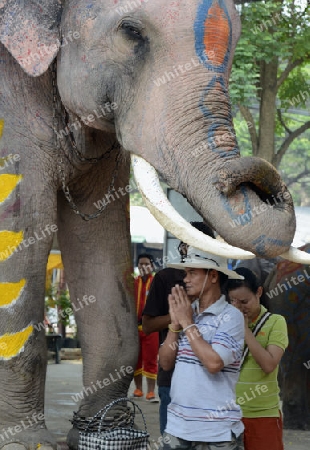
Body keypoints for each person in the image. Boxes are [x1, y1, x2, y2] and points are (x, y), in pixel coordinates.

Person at [158, 246, 245, 450]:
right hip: (177, 427)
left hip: (216, 432)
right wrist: (174, 324)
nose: (185, 279)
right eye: (185, 273)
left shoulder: (231, 316)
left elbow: (214, 363)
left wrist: (187, 323)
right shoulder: (187, 312)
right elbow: (165, 362)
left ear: (213, 276)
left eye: (192, 273)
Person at [142, 222, 215, 434]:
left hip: (211, 378)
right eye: (184, 243)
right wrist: (178, 316)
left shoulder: (218, 278)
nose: (186, 248)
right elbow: (147, 325)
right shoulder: (166, 277)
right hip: (172, 375)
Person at [226, 267, 288, 450]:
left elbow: (269, 364)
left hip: (263, 415)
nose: (238, 307)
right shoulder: (225, 323)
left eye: (244, 301)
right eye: (233, 302)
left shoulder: (276, 322)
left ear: (259, 292)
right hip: (229, 414)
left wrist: (244, 330)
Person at [133, 253, 159, 402]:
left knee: (150, 359)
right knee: (136, 359)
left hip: (151, 327)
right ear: (138, 267)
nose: (143, 267)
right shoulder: (133, 283)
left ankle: (150, 391)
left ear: (152, 266)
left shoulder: (156, 283)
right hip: (134, 328)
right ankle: (138, 389)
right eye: (141, 264)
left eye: (146, 264)